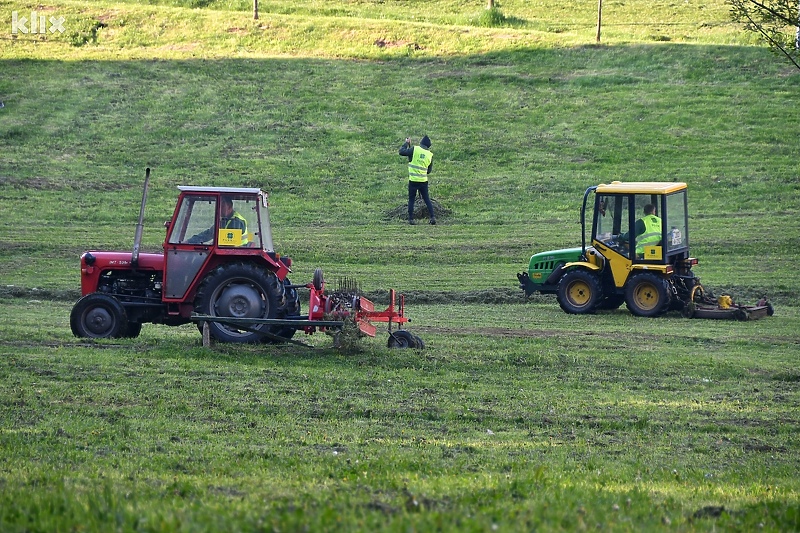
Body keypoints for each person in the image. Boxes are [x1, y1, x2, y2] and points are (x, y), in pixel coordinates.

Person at [399, 135, 435, 225]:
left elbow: (401, 152)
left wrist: (406, 143)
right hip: (423, 181)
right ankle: (432, 217)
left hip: (413, 180)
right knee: (427, 199)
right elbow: (429, 171)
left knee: (411, 199)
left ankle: (411, 219)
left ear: (421, 143)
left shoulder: (415, 149)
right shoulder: (430, 155)